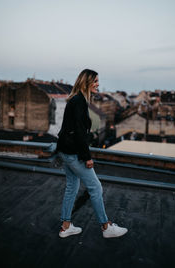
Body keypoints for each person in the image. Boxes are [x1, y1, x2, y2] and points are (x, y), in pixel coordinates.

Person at [56, 69, 128, 238]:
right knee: (96, 187)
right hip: (74, 153)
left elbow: (69, 129)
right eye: (95, 81)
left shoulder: (75, 100)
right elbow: (80, 133)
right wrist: (87, 157)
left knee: (72, 188)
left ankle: (66, 226)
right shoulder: (79, 101)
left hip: (65, 151)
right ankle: (106, 227)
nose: (98, 84)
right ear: (85, 82)